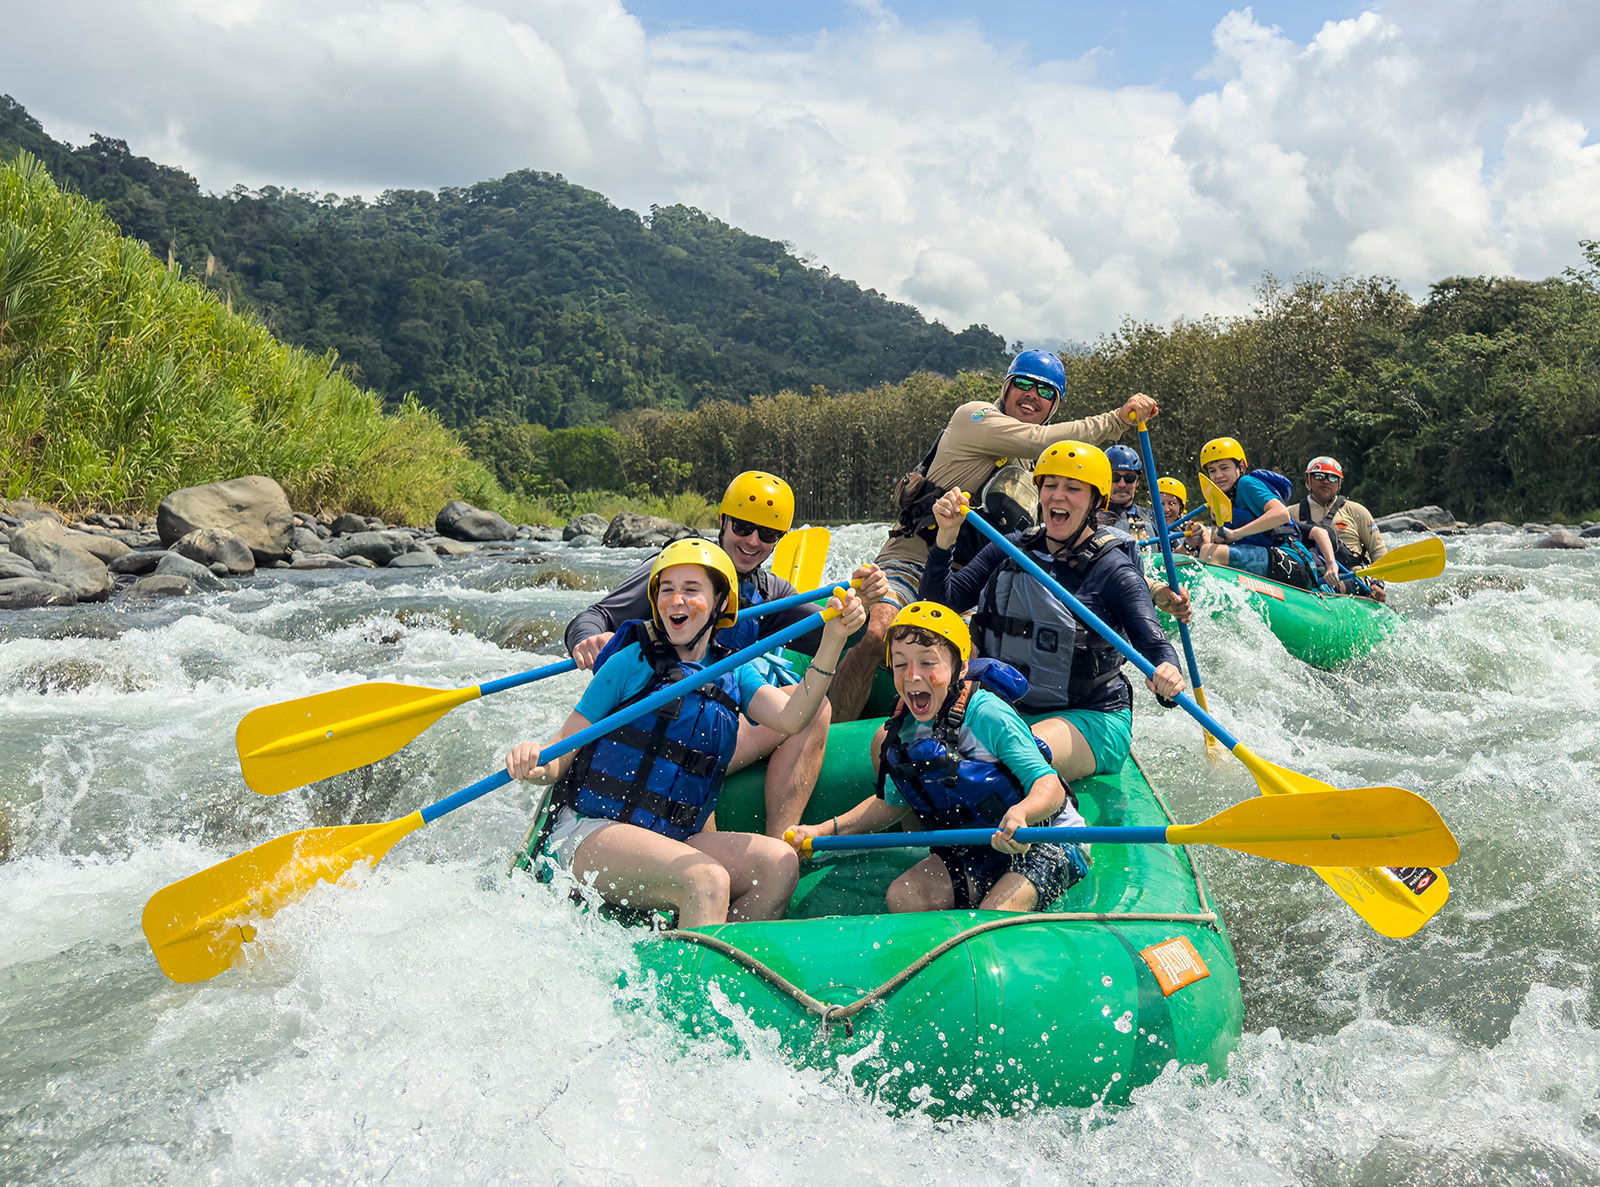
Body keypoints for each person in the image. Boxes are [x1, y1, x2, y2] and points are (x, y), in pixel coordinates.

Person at [509, 539, 867, 927]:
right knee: (706, 879)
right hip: (590, 832)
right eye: (667, 590)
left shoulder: (735, 671)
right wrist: (534, 760)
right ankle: (693, 981)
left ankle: (714, 955)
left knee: (779, 865)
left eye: (692, 590)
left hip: (671, 835)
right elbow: (561, 755)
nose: (676, 600)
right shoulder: (631, 662)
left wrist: (833, 640)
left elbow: (794, 717)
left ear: (720, 604)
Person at [828, 349, 1161, 721]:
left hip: (971, 581)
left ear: (1054, 405)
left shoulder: (1037, 470)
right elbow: (1039, 439)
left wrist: (1152, 589)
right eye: (1023, 384)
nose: (1033, 395)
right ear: (1006, 387)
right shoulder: (974, 417)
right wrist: (1116, 419)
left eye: (1046, 392)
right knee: (879, 631)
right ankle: (830, 732)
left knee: (976, 658)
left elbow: (1062, 547)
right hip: (913, 558)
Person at [563, 471, 888, 835]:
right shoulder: (679, 568)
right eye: (743, 527)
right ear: (723, 521)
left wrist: (861, 605)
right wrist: (588, 639)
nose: (752, 541)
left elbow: (828, 631)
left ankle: (782, 840)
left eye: (767, 534)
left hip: (708, 728)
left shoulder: (770, 594)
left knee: (814, 708)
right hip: (645, 727)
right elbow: (595, 617)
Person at [786, 603, 1090, 912]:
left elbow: (1048, 785)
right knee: (904, 896)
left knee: (992, 915)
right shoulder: (902, 728)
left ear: (959, 668)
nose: (913, 676)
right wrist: (821, 831)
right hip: (977, 847)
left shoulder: (988, 714)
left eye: (928, 662)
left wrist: (1022, 814)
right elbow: (892, 802)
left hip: (1044, 838)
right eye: (901, 664)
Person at [919, 442, 1186, 787]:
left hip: (1090, 717)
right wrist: (946, 537)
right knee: (906, 748)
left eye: (1072, 488)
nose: (1057, 496)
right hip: (1006, 709)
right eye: (1050, 485)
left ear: (1095, 501)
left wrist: (1167, 675)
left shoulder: (1114, 569)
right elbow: (939, 606)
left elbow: (1156, 648)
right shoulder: (1010, 548)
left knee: (1009, 758)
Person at [1194, 437, 1339, 591]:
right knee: (1205, 551)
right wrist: (1195, 539)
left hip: (1293, 562)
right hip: (1271, 562)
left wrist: (1236, 533)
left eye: (1224, 468)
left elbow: (1281, 514)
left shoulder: (1246, 484)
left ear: (1241, 466)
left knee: (1209, 553)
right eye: (1212, 471)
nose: (1218, 475)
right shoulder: (1219, 502)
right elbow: (1217, 543)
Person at [1292, 456, 1389, 602]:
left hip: (1353, 577)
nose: (1326, 481)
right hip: (1311, 572)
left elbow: (1378, 551)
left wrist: (1378, 583)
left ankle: (1335, 589)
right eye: (1319, 476)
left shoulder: (1357, 511)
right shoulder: (1290, 513)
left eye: (1332, 478)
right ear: (1308, 480)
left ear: (1339, 483)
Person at [1098, 445, 1154, 538]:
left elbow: (1176, 550)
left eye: (1129, 477)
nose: (1122, 484)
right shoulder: (1091, 518)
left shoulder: (1151, 517)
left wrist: (1187, 542)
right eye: (1115, 477)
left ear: (1137, 482)